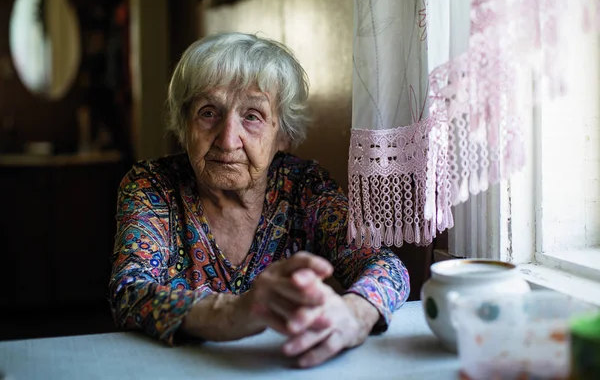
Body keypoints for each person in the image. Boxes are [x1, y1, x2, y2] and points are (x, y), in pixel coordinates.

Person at [108, 32, 410, 368]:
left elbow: (388, 267)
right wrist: (235, 311)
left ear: (283, 135)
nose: (227, 139)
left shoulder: (305, 187)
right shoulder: (152, 186)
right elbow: (129, 293)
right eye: (208, 112)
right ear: (184, 124)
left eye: (252, 116)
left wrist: (354, 314)